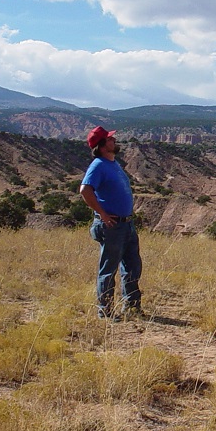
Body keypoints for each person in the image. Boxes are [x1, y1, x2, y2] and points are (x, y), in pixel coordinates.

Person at [80, 126, 142, 321]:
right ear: (100, 146)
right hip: (112, 226)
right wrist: (103, 214)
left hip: (126, 224)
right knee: (108, 270)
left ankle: (132, 307)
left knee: (132, 267)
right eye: (109, 139)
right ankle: (105, 312)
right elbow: (85, 190)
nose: (114, 140)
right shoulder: (98, 165)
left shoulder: (113, 164)